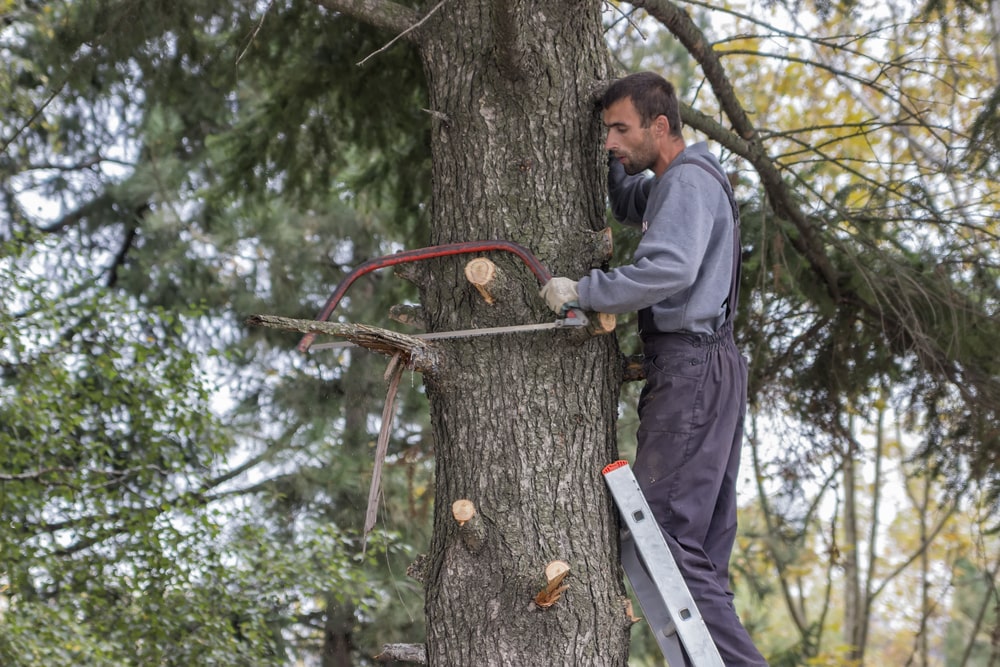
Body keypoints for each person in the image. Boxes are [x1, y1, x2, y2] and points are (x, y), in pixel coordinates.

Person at [540, 71, 768, 666]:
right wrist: (610, 159)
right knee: (700, 559)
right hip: (710, 368)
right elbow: (628, 199)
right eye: (605, 130)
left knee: (665, 537)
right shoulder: (673, 181)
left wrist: (584, 292)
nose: (611, 140)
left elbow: (668, 270)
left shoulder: (687, 182)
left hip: (692, 368)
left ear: (660, 126)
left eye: (621, 129)